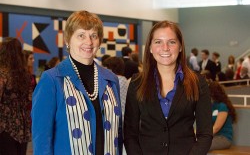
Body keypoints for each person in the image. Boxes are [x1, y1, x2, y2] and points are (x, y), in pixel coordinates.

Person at [32, 10, 123, 155]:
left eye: (94, 35)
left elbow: (118, 132)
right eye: (81, 35)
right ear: (68, 40)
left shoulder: (111, 79)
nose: (89, 42)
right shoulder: (52, 80)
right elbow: (42, 139)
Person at [124, 21, 213, 155]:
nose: (165, 48)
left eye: (171, 42)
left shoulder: (197, 82)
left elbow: (205, 134)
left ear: (180, 47)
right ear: (150, 48)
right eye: (158, 42)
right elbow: (130, 133)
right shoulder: (137, 82)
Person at [0, 37, 32, 155]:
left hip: (5, 127)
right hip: (22, 126)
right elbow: (30, 98)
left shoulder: (2, 73)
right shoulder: (25, 75)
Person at [209, 81, 237, 151]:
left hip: (224, 138)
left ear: (213, 93)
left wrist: (202, 137)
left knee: (202, 145)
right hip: (213, 137)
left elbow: (216, 128)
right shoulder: (210, 106)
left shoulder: (222, 106)